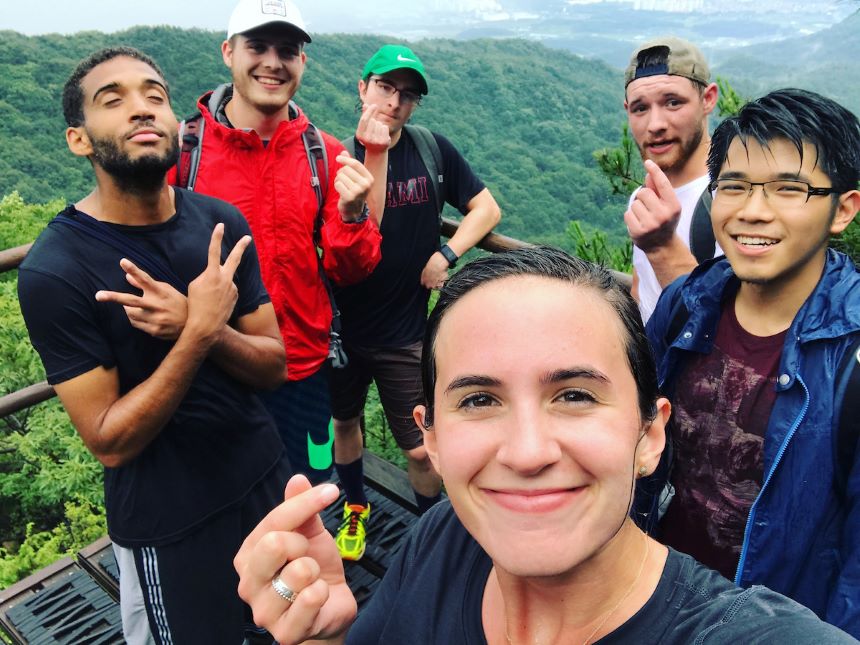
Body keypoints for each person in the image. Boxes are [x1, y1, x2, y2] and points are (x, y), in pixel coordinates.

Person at [233, 246, 855, 644]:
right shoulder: (445, 541)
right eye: (479, 400)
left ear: (649, 434)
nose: (528, 453)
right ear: (433, 439)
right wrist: (320, 638)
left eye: (576, 395)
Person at [18, 47, 291, 643]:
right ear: (79, 140)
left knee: (293, 632)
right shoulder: (55, 270)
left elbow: (274, 365)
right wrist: (197, 333)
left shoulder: (219, 224)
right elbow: (109, 441)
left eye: (155, 96)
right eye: (112, 101)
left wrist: (210, 329)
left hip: (263, 479)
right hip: (171, 524)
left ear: (175, 123)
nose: (141, 109)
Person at [646, 89, 860, 635]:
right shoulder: (686, 304)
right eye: (734, 186)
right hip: (651, 594)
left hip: (762, 626)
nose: (752, 211)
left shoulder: (850, 357)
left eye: (790, 189)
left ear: (844, 209)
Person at [171, 0, 389, 484]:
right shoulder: (183, 151)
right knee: (223, 492)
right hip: (212, 363)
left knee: (306, 493)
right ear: (228, 52)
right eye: (258, 46)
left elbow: (352, 271)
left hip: (302, 367)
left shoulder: (324, 154)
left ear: (302, 63)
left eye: (287, 50)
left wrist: (353, 216)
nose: (273, 61)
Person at [329, 44, 501, 561]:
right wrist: (371, 150)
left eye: (407, 95)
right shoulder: (337, 159)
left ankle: (431, 537)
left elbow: (486, 208)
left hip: (405, 331)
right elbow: (367, 234)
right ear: (362, 88)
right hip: (342, 327)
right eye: (384, 87)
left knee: (419, 448)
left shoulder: (432, 150)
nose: (394, 102)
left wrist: (446, 252)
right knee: (345, 423)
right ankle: (354, 506)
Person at [623, 36, 721, 322]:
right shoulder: (644, 196)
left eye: (673, 102)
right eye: (641, 108)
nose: (655, 125)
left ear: (708, 99)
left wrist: (662, 245)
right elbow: (641, 293)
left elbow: (726, 332)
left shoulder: (735, 197)